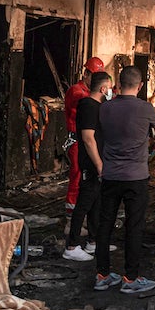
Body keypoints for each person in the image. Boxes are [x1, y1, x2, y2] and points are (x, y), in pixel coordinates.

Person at [93, 66, 155, 294]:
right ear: (140, 86)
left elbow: (100, 135)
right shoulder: (146, 108)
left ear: (119, 85)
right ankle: (130, 278)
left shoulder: (105, 108)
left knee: (105, 225)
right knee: (134, 226)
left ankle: (102, 275)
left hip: (110, 175)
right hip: (136, 177)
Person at [63, 70, 111, 261]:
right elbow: (88, 138)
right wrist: (99, 164)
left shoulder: (96, 106)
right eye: (109, 88)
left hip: (96, 162)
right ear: (103, 89)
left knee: (95, 203)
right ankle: (72, 245)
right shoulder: (89, 106)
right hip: (91, 163)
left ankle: (93, 240)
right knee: (84, 203)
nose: (111, 92)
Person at [63, 56, 104, 215]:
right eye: (94, 76)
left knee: (87, 177)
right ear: (86, 74)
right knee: (77, 175)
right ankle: (71, 214)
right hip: (77, 141)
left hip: (85, 140)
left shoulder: (88, 92)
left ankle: (84, 211)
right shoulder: (77, 91)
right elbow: (87, 103)